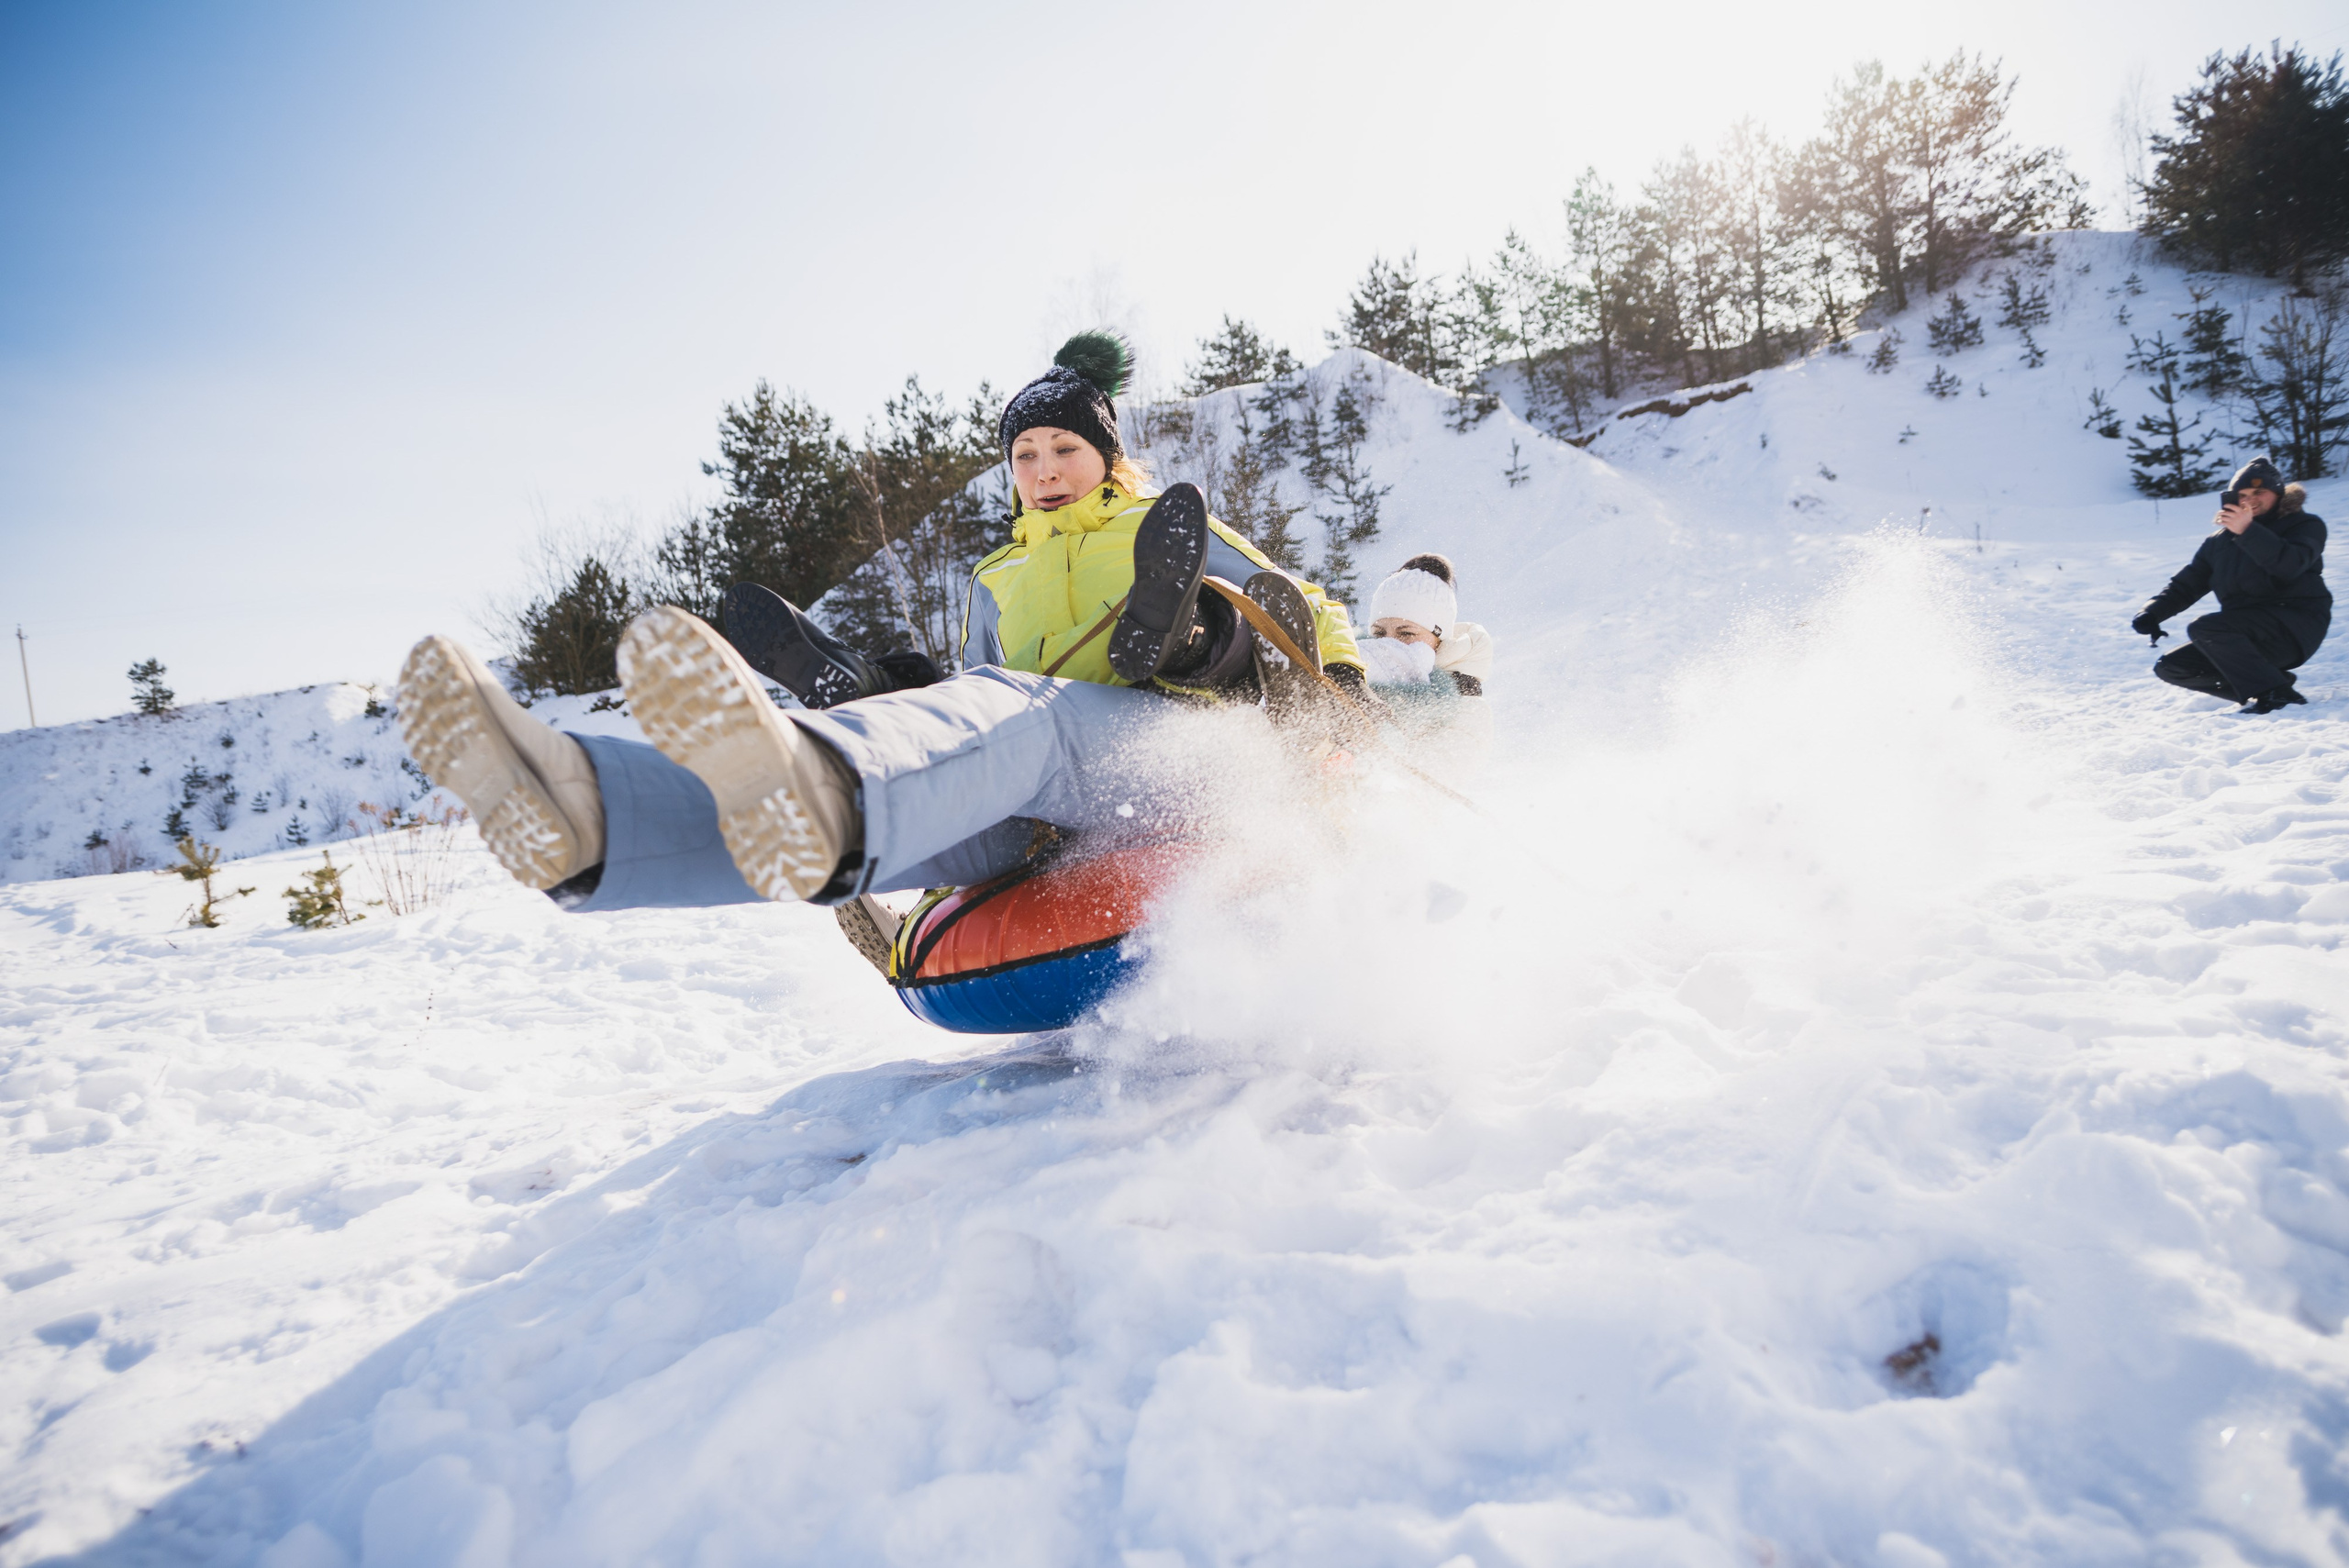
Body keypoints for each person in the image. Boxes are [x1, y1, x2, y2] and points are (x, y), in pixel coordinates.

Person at [395, 331, 1368, 915]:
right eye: (1023, 453)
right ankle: (600, 814)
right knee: (926, 808)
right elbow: (976, 709)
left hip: (1180, 764)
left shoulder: (1157, 525)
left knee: (1028, 715)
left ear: (1106, 453)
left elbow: (1305, 605)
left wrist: (1350, 693)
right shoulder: (997, 573)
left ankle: (836, 777)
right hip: (1053, 805)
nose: (1042, 469)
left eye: (1063, 446)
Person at [2132, 456, 2329, 715]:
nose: (2250, 500)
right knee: (2172, 666)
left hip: (2293, 627)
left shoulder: (2305, 525)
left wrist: (2247, 531)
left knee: (2206, 627)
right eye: (2243, 494)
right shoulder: (2219, 542)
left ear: (2279, 494)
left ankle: (2275, 693)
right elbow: (2188, 583)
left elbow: (2289, 565)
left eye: (2260, 492)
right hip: (2245, 632)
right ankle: (2273, 685)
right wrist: (2152, 612)